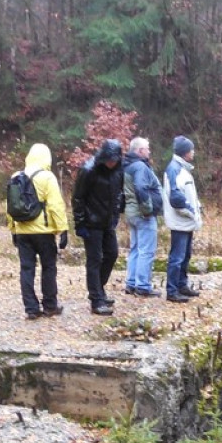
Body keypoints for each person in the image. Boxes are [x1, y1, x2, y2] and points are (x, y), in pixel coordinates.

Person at [9, 143, 69, 320]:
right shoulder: (47, 177)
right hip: (43, 231)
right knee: (48, 267)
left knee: (26, 269)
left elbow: (10, 206)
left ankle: (31, 308)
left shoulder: (16, 176)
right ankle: (50, 305)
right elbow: (55, 206)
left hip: (22, 231)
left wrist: (13, 229)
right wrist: (62, 229)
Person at [72, 139, 123, 315]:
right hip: (91, 222)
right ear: (103, 156)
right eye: (109, 159)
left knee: (112, 253)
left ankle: (99, 289)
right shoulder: (88, 170)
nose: (112, 162)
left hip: (108, 222)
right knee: (94, 259)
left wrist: (117, 213)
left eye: (115, 159)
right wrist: (80, 223)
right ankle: (96, 299)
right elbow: (78, 198)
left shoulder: (118, 170)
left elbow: (119, 194)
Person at [162, 135, 203, 303]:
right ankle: (172, 290)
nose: (193, 152)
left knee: (185, 256)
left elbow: (187, 194)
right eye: (191, 150)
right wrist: (192, 211)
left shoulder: (182, 168)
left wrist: (197, 206)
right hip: (180, 222)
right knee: (177, 257)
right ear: (185, 152)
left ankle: (181, 284)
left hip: (186, 222)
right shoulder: (175, 169)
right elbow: (177, 199)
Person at [122, 137, 164, 298]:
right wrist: (148, 209)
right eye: (147, 148)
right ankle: (143, 286)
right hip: (142, 214)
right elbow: (140, 188)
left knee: (135, 249)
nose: (149, 151)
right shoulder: (140, 166)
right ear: (139, 151)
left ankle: (131, 283)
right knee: (146, 251)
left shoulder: (128, 166)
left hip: (131, 213)